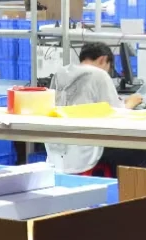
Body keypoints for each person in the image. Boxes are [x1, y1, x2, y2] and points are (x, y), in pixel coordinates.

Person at [45, 42, 140, 176]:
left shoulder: (60, 73)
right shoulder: (99, 74)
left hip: (58, 149)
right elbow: (116, 114)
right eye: (109, 67)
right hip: (86, 149)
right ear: (103, 59)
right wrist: (131, 103)